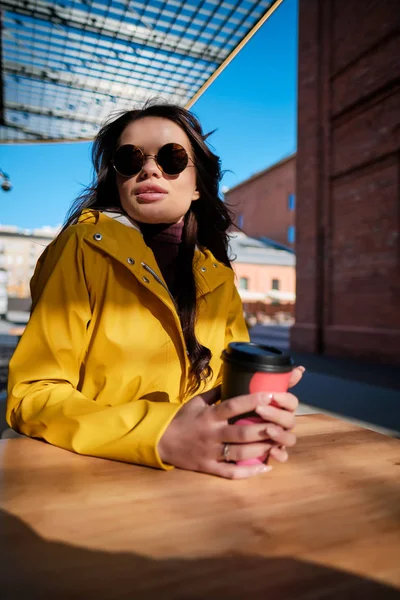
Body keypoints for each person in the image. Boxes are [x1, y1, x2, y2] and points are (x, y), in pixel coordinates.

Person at [6, 103, 304, 479]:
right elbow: (32, 395)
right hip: (97, 477)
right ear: (116, 178)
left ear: (198, 185)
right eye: (130, 159)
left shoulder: (219, 275)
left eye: (172, 157)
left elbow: (218, 391)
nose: (150, 168)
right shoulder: (81, 247)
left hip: (200, 478)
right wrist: (159, 434)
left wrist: (253, 411)